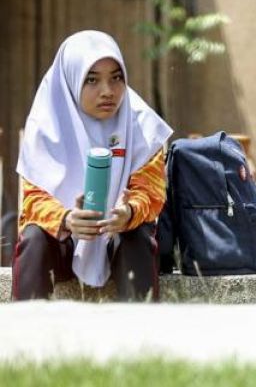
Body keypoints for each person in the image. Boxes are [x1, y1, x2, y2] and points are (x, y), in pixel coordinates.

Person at [13, 30, 172, 301]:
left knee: (138, 236)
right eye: (92, 80)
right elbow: (32, 201)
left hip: (116, 239)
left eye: (116, 78)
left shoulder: (141, 124)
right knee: (34, 239)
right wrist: (65, 219)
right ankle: (26, 336)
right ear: (71, 80)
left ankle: (141, 333)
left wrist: (128, 213)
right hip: (64, 242)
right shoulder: (46, 125)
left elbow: (151, 192)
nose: (108, 92)